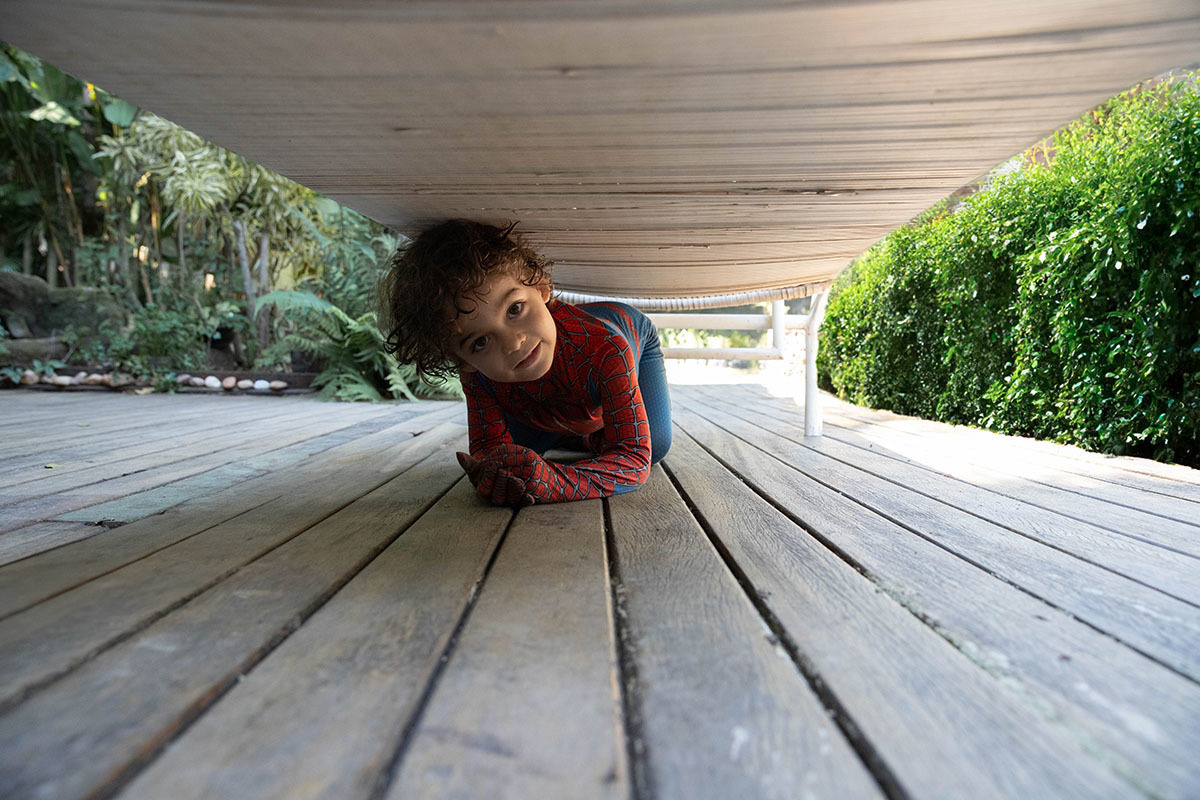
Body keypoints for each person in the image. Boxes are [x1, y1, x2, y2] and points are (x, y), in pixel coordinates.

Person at [380, 219, 672, 506]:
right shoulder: (477, 375)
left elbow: (632, 458)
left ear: (542, 289)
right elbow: (488, 450)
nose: (514, 342)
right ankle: (577, 434)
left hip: (631, 337)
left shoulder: (606, 349)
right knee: (513, 462)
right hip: (548, 394)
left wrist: (555, 481)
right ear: (462, 361)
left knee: (655, 445)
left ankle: (580, 434)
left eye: (515, 309)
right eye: (480, 342)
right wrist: (493, 474)